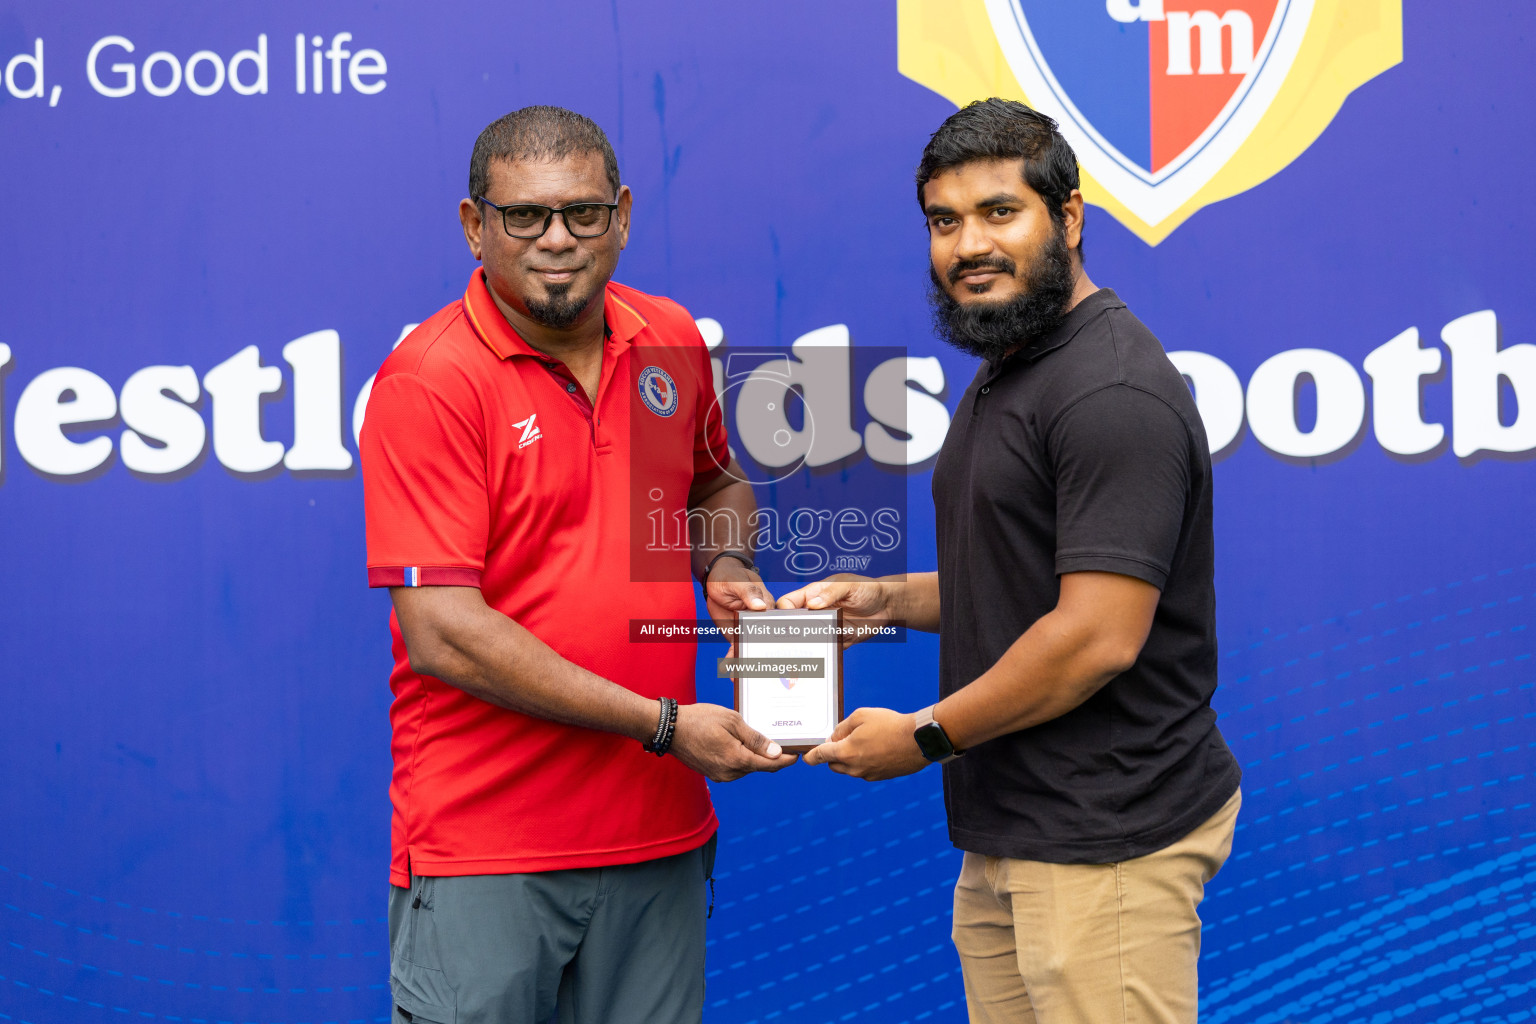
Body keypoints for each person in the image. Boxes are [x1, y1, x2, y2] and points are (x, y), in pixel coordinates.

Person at [780, 98, 1242, 1024]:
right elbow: (1033, 577)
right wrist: (887, 599)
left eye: (1000, 212)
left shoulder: (1109, 390)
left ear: (1069, 217)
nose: (967, 246)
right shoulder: (1018, 363)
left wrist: (923, 735)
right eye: (944, 222)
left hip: (1105, 840)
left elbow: (1095, 637)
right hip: (1013, 829)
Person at [360, 106, 795, 1024]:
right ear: (475, 226)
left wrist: (721, 565)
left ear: (624, 216)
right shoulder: (429, 380)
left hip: (657, 839)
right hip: (489, 850)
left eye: (583, 214)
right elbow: (443, 635)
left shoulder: (668, 337)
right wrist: (666, 725)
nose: (557, 241)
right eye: (525, 217)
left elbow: (716, 486)